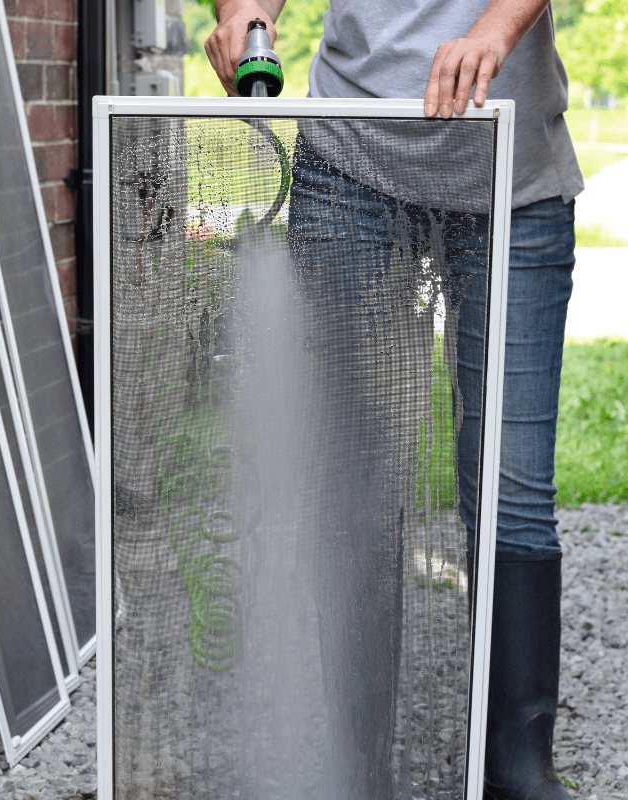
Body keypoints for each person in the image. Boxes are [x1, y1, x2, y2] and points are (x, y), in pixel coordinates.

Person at [205, 2, 582, 799]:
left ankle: (517, 768)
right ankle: (357, 770)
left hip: (514, 172)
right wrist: (244, 13)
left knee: (511, 491)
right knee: (358, 488)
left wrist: (493, 32)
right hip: (352, 168)